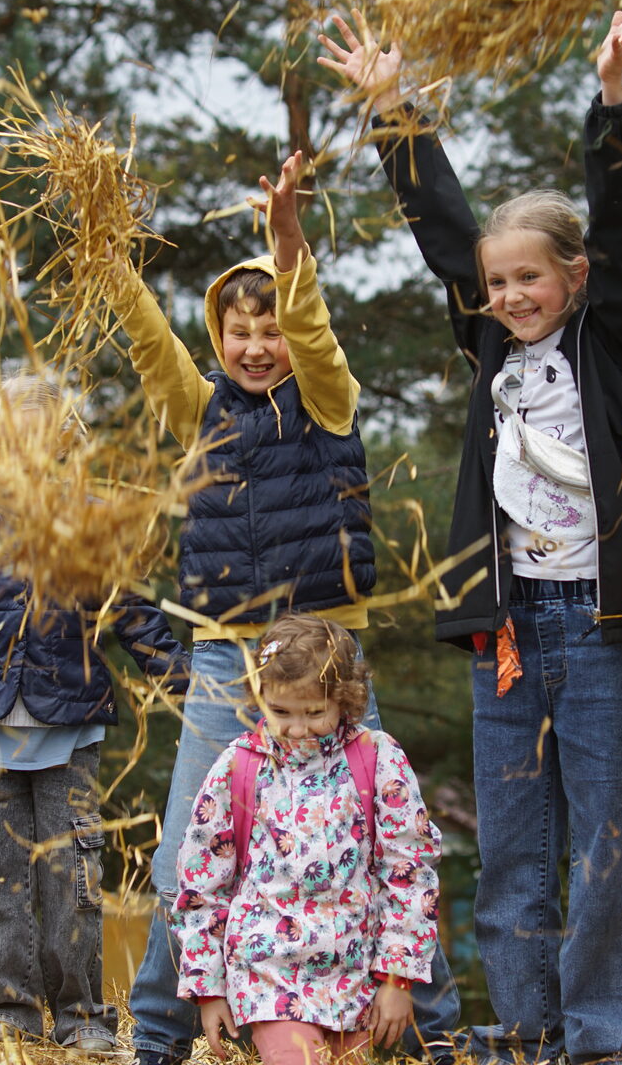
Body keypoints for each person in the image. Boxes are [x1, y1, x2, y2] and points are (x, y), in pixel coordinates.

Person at [320, 4, 622, 1064]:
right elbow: (442, 221)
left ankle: (606, 1035)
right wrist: (393, 110)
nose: (511, 294)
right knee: (514, 838)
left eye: (531, 278)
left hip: (601, 625)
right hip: (508, 629)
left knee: (605, 836)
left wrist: (612, 100)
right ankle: (523, 1026)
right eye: (500, 281)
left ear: (576, 280)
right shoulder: (489, 345)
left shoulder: (614, 348)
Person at [112, 152, 461, 1065]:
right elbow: (153, 345)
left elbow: (316, 333)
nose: (258, 345)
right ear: (218, 340)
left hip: (330, 656)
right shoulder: (201, 413)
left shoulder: (328, 404)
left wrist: (286, 246)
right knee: (184, 849)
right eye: (239, 332)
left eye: (270, 328)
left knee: (388, 832)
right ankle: (155, 1035)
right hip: (230, 658)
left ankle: (441, 1031)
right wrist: (110, 263)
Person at [0, 372, 190, 1046]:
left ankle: (83, 1017)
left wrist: (185, 685)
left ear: (67, 443)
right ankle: (6, 1014)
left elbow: (138, 619)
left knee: (75, 884)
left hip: (72, 727)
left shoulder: (94, 520)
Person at [172, 613, 442, 1065]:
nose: (297, 729)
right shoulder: (237, 768)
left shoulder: (378, 759)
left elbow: (409, 869)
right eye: (280, 712)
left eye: (314, 713)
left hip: (354, 977)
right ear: (260, 698)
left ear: (346, 701)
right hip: (269, 975)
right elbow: (201, 886)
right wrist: (207, 989)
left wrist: (396, 978)